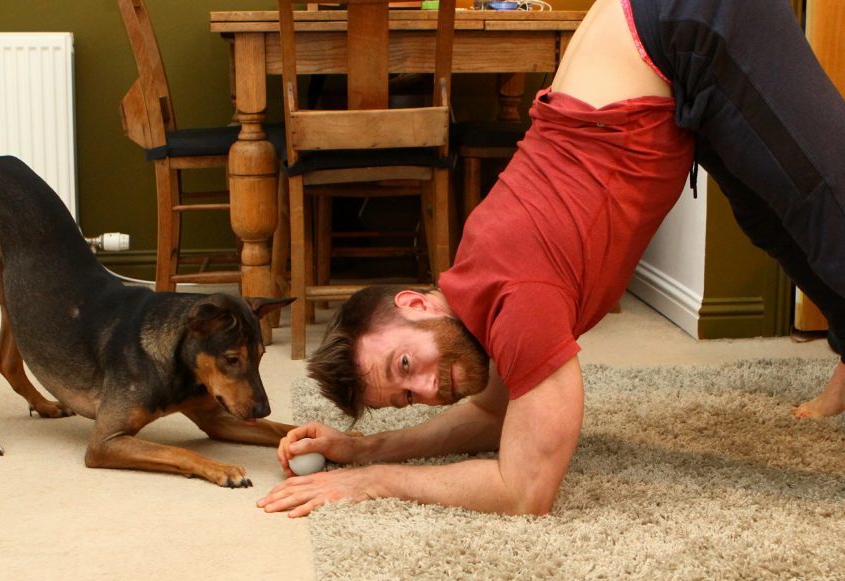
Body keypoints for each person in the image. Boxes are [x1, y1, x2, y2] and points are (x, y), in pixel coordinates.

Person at [256, 0, 845, 518]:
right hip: (656, 55)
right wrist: (365, 448)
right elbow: (493, 417)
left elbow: (524, 490)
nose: (432, 388)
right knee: (772, 218)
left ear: (414, 303)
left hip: (687, 20)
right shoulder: (474, 294)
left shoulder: (516, 297)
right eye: (408, 397)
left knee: (829, 208)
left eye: (406, 364)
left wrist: (373, 483)